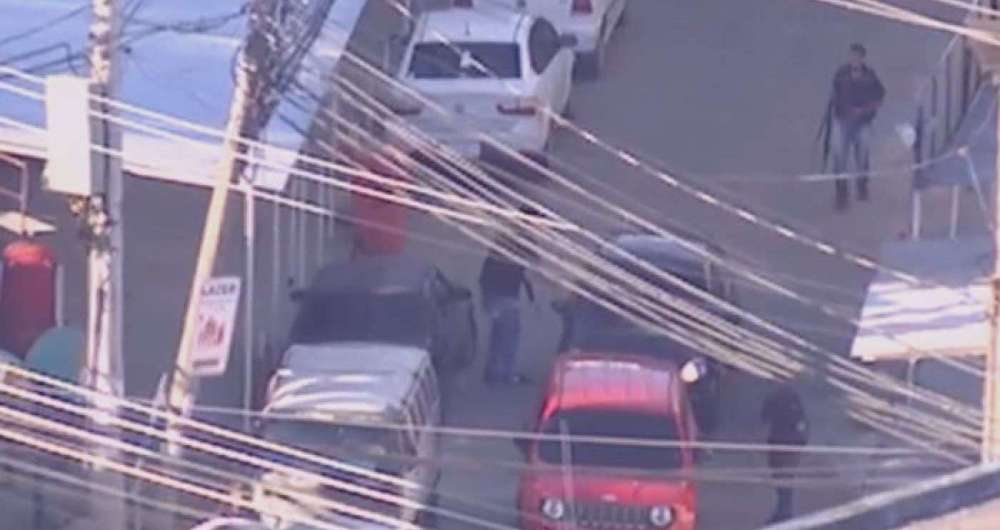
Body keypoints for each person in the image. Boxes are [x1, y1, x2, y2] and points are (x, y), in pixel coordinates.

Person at [829, 43, 886, 211]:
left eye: (857, 56)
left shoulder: (870, 76)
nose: (854, 60)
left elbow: (880, 96)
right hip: (842, 121)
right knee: (839, 159)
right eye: (852, 56)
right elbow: (834, 94)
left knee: (862, 158)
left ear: (862, 58)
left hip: (862, 123)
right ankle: (841, 194)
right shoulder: (841, 74)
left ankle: (862, 187)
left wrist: (867, 110)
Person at [478, 228, 537, 385]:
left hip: (491, 292)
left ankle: (492, 371)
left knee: (498, 334)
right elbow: (533, 260)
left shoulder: (503, 239)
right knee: (510, 337)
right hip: (506, 295)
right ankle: (505, 375)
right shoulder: (523, 243)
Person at [761, 384, 809, 524]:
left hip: (780, 444)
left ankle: (784, 511)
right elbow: (802, 423)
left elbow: (764, 417)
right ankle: (784, 510)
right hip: (789, 446)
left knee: (782, 480)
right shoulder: (794, 400)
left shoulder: (774, 398)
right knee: (785, 480)